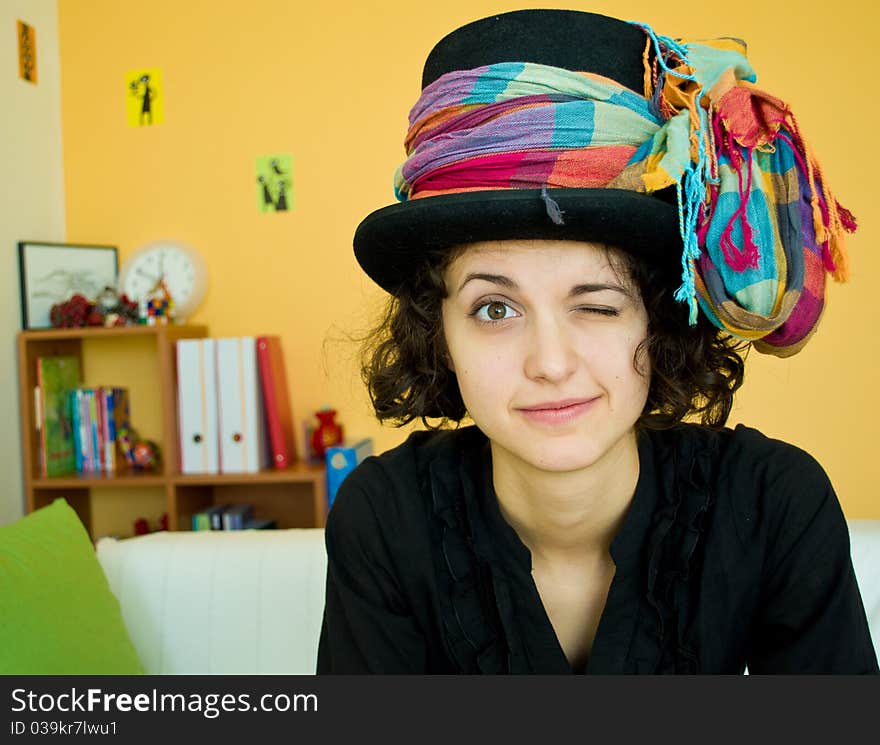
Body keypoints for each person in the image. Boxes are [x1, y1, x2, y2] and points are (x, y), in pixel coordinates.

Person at [316, 9, 879, 674]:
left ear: (659, 321)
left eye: (598, 305)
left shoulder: (775, 506)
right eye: (495, 308)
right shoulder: (384, 520)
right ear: (438, 333)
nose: (551, 363)